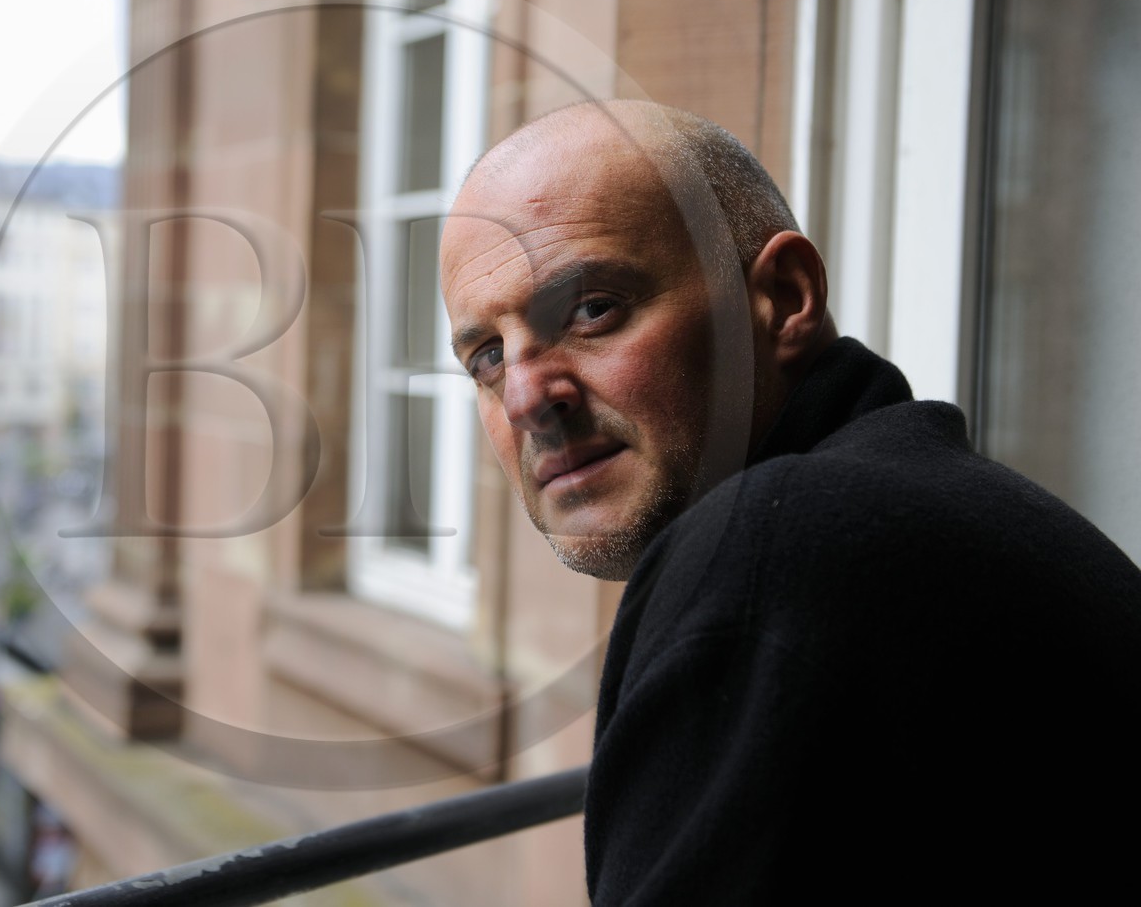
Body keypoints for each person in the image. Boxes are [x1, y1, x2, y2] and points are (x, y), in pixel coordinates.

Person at [438, 99, 1141, 903]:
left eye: (593, 309)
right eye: (488, 357)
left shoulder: (778, 552)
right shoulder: (933, 515)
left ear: (783, 295)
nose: (527, 395)